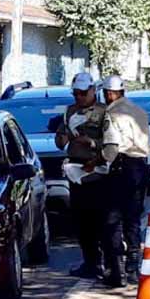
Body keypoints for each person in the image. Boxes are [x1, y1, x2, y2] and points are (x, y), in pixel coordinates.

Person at [55, 71, 111, 279]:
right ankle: (91, 262)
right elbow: (60, 141)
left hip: (98, 171)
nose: (78, 98)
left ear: (93, 91)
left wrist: (92, 144)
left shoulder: (104, 112)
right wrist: (65, 136)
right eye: (75, 94)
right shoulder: (69, 112)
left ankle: (109, 262)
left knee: (102, 220)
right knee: (81, 221)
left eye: (82, 93)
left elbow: (111, 142)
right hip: (76, 172)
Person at [101, 74, 150, 286]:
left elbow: (113, 147)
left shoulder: (111, 114)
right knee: (133, 217)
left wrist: (98, 160)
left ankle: (116, 269)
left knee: (112, 220)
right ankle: (133, 263)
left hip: (121, 167)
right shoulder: (138, 111)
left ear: (110, 93)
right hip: (140, 165)